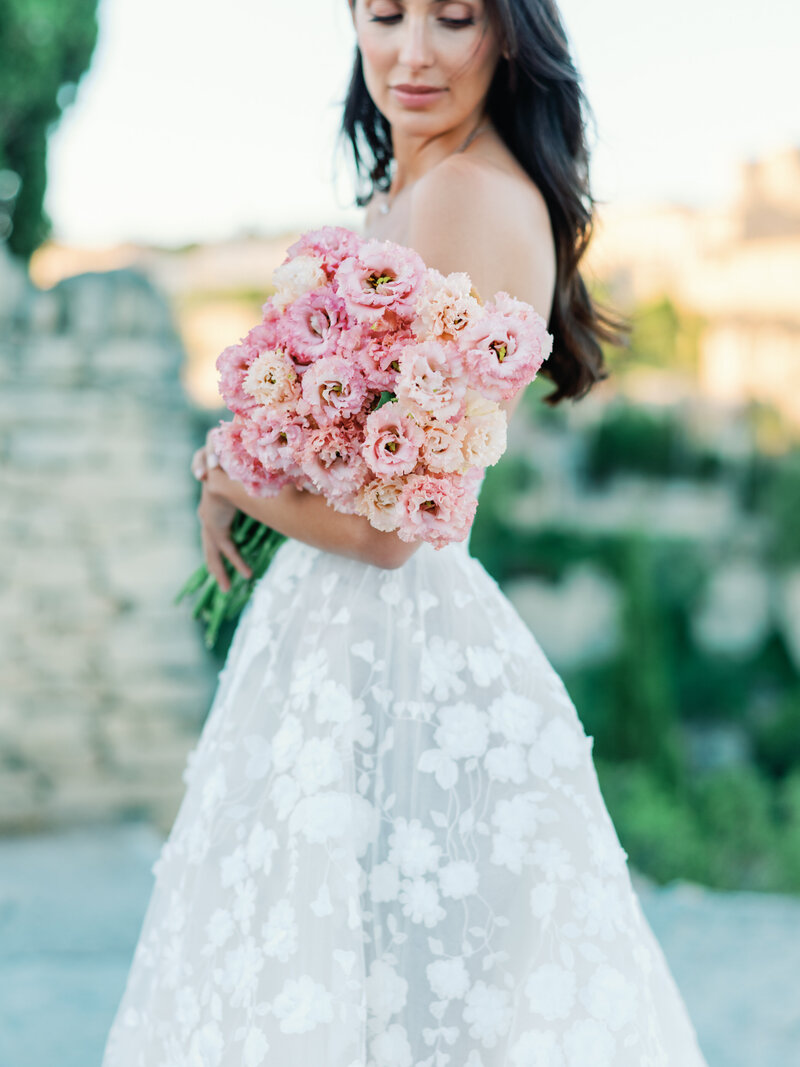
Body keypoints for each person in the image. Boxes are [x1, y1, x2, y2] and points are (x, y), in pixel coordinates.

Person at [101, 2, 710, 1065]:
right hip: (344, 640)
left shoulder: (466, 193)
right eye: (383, 14)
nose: (412, 52)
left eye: (454, 17)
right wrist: (269, 443)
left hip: (387, 648)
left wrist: (226, 470)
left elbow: (389, 532)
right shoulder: (419, 185)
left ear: (507, 34)